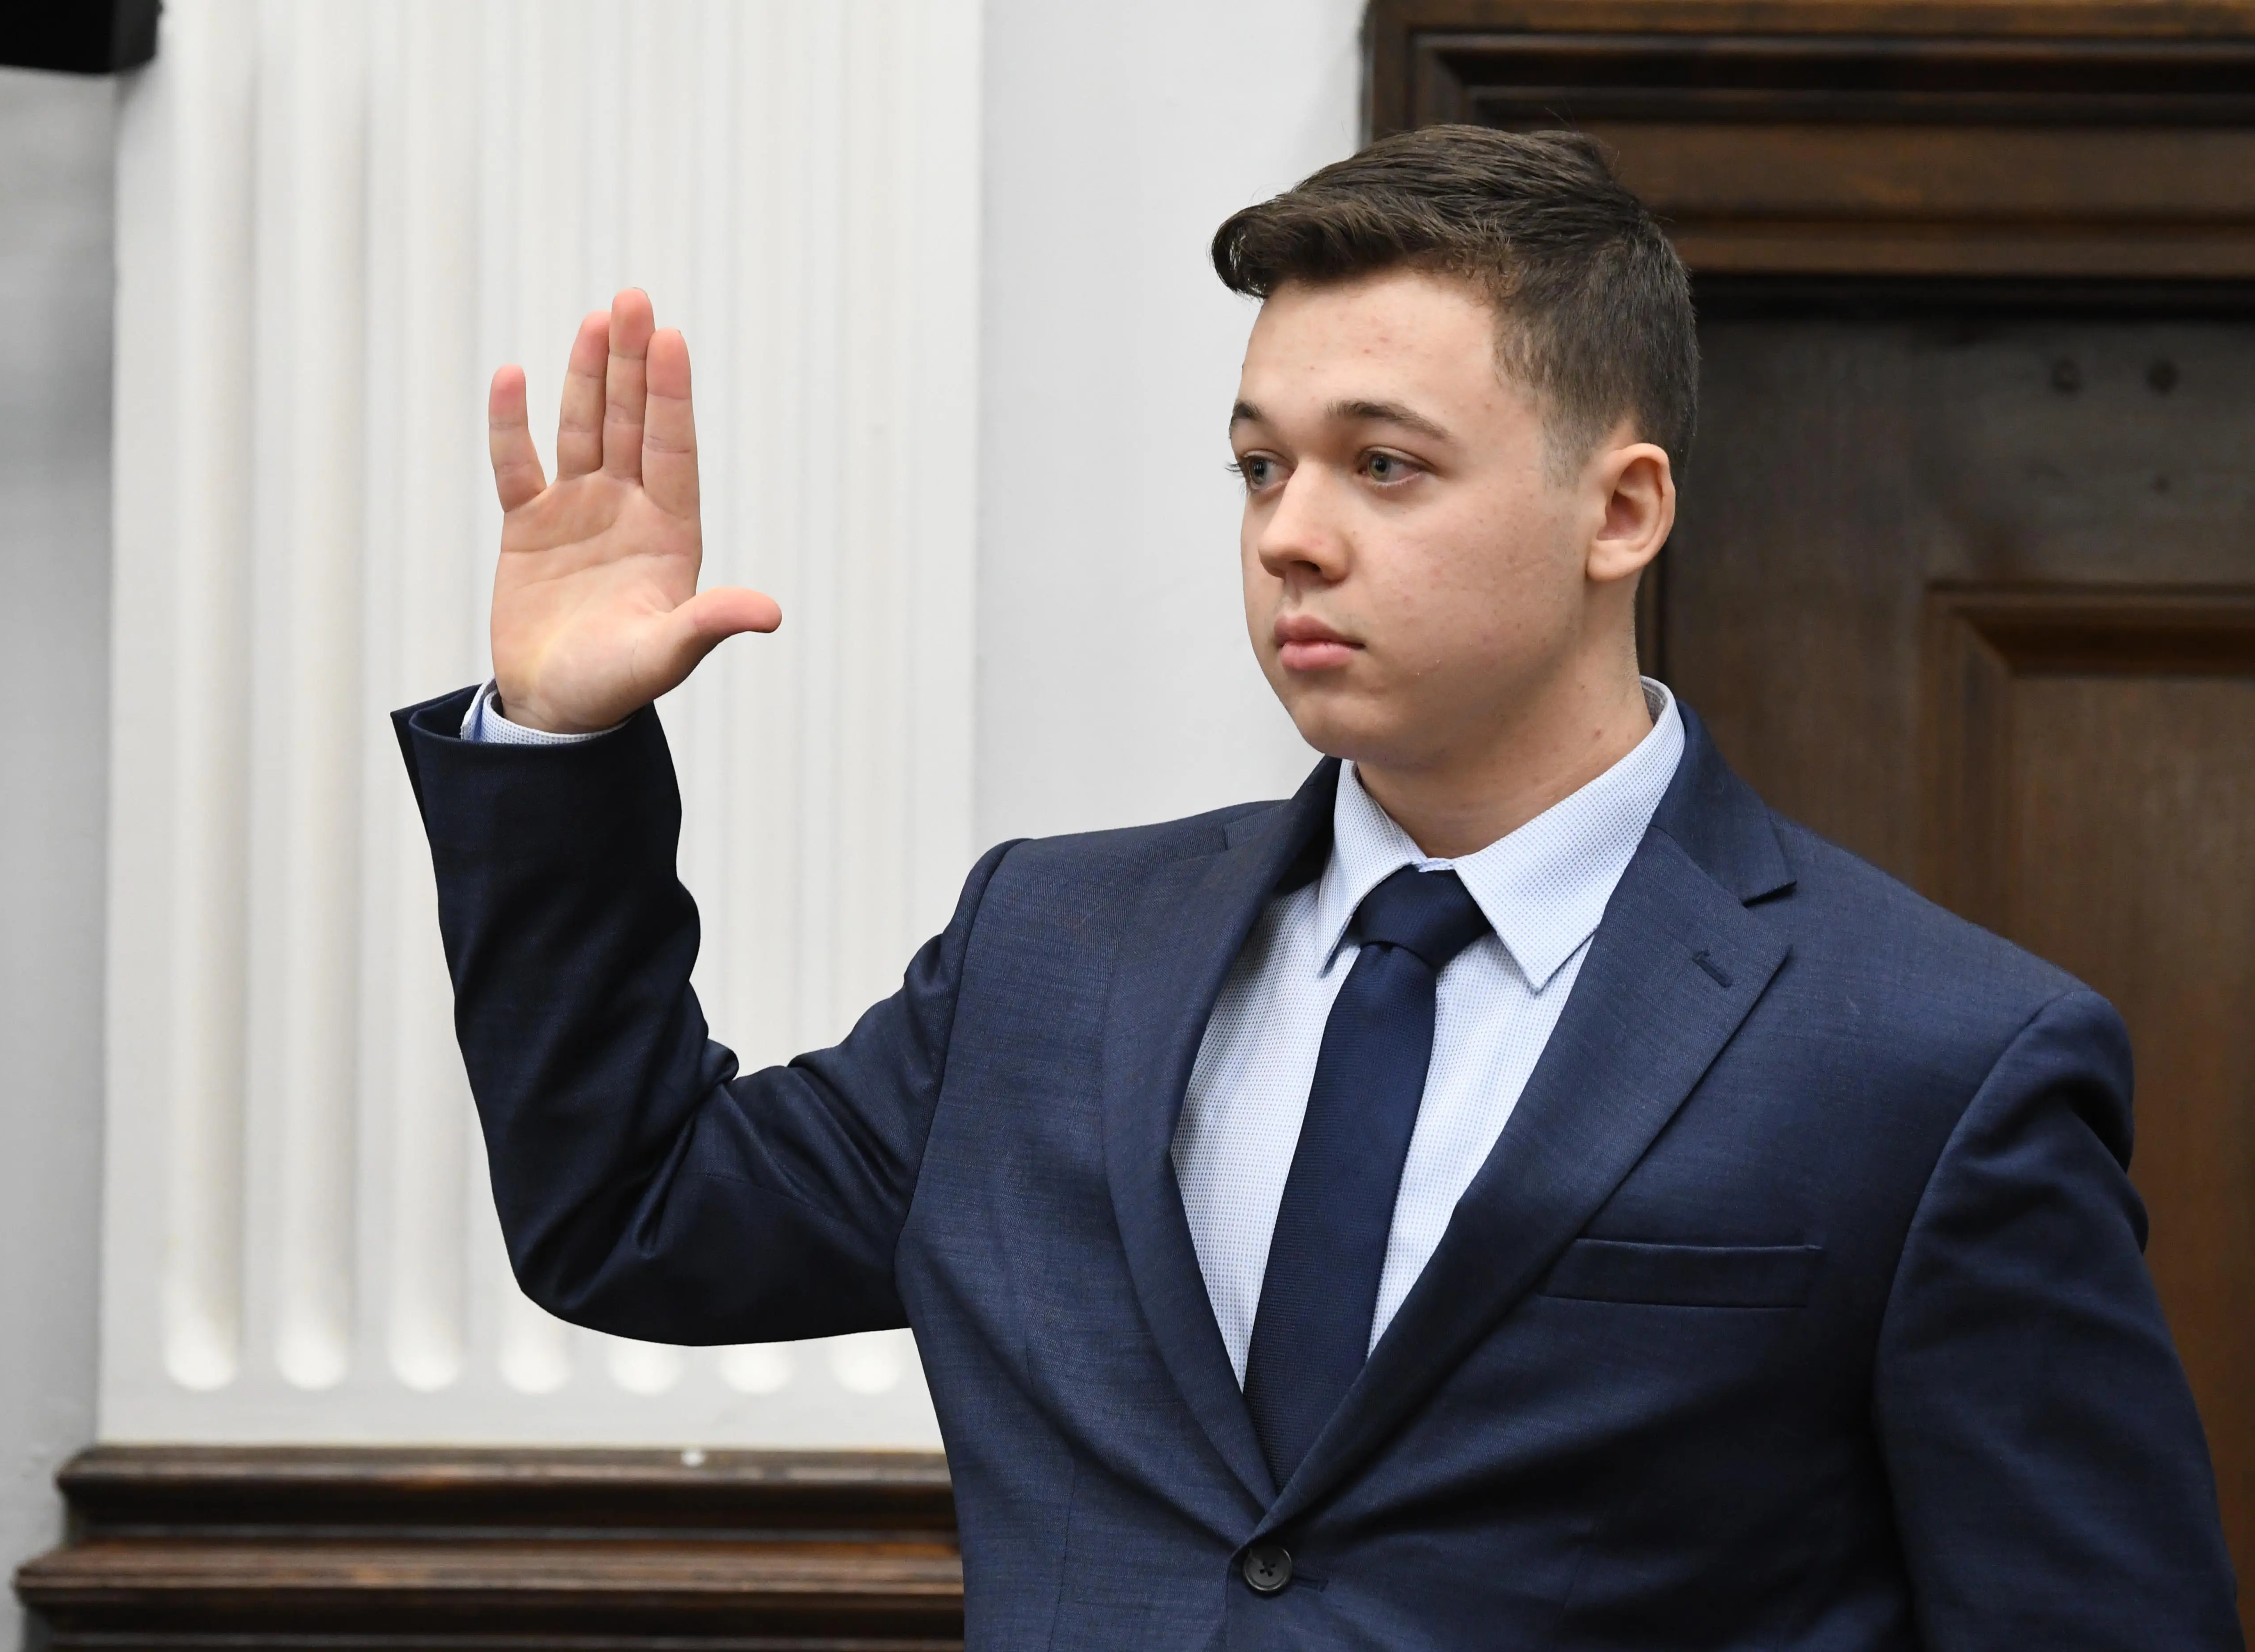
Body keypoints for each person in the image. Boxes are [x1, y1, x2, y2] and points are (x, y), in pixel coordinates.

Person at [395, 126, 2238, 1649]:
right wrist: (552, 750)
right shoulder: (1050, 952)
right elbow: (630, 1216)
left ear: (1624, 512)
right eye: (1260, 464)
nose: (1290, 529)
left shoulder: (1940, 1057)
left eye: (1384, 464)